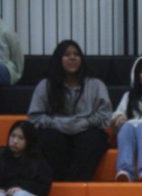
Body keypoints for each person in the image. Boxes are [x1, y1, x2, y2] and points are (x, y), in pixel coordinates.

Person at [28, 40, 112, 182]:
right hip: (55, 129)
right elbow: (35, 117)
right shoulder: (45, 85)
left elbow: (105, 115)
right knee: (49, 138)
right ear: (58, 59)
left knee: (93, 139)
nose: (72, 57)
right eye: (67, 55)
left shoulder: (96, 84)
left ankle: (77, 185)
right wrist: (57, 123)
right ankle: (60, 183)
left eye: (76, 54)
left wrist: (86, 122)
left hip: (87, 130)